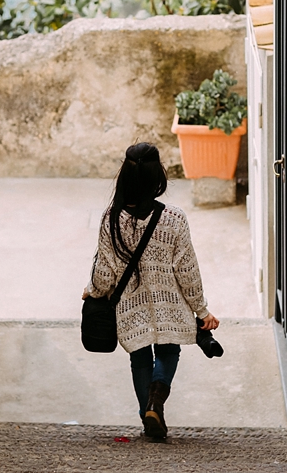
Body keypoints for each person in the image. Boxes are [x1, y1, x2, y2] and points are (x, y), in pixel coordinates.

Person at [82, 142, 219, 441]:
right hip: (170, 306)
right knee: (169, 351)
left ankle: (148, 415)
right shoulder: (174, 218)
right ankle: (156, 400)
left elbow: (104, 273)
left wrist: (91, 291)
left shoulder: (111, 219)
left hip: (131, 308)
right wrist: (202, 310)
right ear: (158, 177)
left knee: (139, 358)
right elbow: (187, 271)